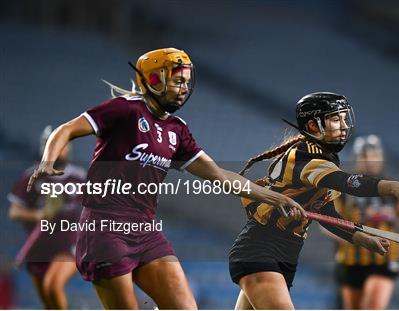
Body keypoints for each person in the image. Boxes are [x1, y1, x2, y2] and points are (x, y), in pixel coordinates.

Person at [27, 48, 304, 309]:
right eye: (177, 81)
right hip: (104, 226)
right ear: (153, 79)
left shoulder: (176, 130)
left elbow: (219, 175)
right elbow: (66, 130)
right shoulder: (125, 109)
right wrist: (48, 160)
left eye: (186, 82)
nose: (184, 88)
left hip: (146, 229)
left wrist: (273, 196)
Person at [229, 92, 399, 309]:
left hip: (284, 255)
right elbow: (349, 183)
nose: (344, 125)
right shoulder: (307, 156)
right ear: (312, 125)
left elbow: (328, 215)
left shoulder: (323, 159)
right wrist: (392, 187)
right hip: (261, 250)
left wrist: (362, 239)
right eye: (335, 119)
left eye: (344, 118)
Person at [326, 135, 399, 310]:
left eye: (374, 155)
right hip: (351, 260)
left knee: (372, 306)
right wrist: (351, 229)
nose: (370, 161)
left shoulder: (392, 188)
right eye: (365, 156)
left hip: (385, 259)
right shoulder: (343, 188)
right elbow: (328, 222)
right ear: (357, 159)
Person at [8, 126, 86, 309]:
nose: (61, 150)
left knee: (54, 284)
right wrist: (38, 214)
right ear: (46, 148)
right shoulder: (32, 176)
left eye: (64, 145)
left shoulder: (79, 176)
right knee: (48, 299)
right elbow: (14, 212)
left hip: (69, 243)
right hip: (40, 245)